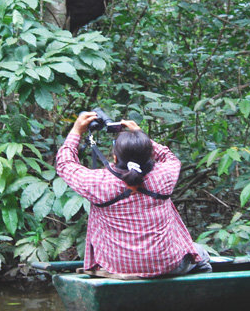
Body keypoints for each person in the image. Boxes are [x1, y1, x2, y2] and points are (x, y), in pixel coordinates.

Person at [55, 111, 210, 277]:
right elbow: (169, 157)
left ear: (115, 157)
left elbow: (64, 164)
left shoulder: (98, 182)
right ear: (149, 152)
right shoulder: (165, 175)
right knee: (201, 253)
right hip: (167, 264)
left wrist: (76, 131)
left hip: (116, 266)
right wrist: (140, 135)